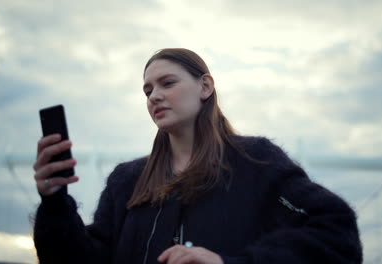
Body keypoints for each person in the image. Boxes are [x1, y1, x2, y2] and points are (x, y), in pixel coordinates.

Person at [33, 48, 363, 264]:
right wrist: (54, 203)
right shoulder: (126, 180)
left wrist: (225, 263)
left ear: (205, 87)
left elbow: (336, 233)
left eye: (167, 83)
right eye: (147, 90)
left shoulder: (257, 162)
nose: (154, 96)